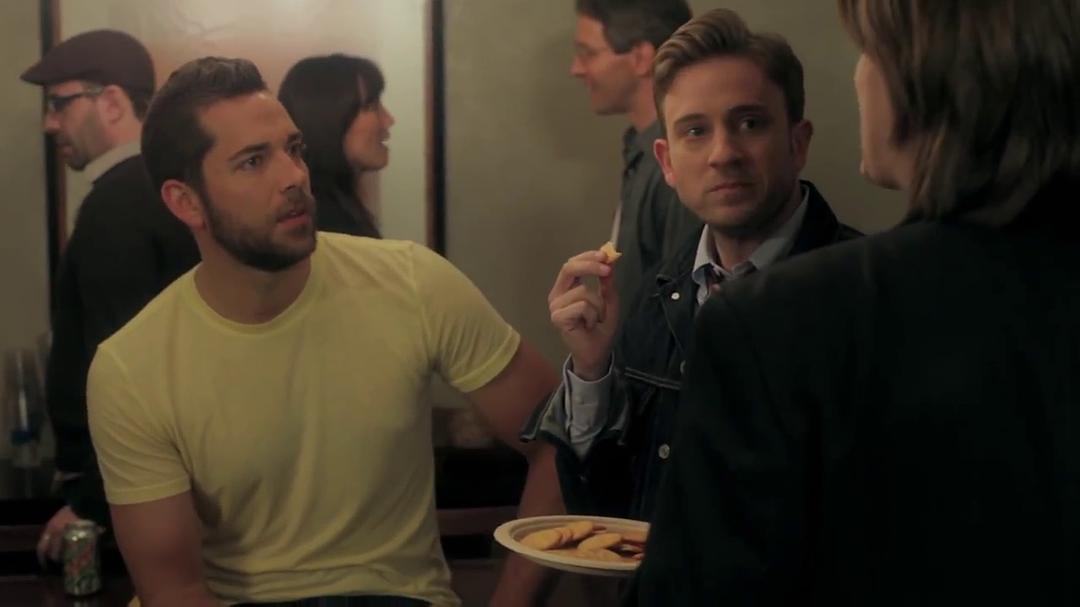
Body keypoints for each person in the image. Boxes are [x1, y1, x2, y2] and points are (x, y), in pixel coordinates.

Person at [633, 0, 1080, 604]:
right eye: (695, 130)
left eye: (866, 51)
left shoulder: (782, 320)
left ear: (920, 82)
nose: (858, 76)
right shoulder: (666, 296)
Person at [85, 57, 561, 606]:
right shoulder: (132, 367)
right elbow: (174, 590)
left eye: (294, 149)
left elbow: (560, 444)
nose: (293, 176)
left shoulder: (413, 282)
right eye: (253, 161)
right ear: (186, 201)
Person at [525, 8, 860, 522]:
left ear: (798, 143)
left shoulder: (866, 292)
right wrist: (593, 371)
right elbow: (604, 510)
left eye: (750, 123)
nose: (723, 153)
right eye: (696, 131)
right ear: (667, 163)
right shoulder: (655, 300)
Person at [19, 29, 199, 563]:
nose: (50, 123)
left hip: (128, 495)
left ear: (114, 102)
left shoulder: (119, 205)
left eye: (60, 103)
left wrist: (92, 501)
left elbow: (129, 369)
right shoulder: (155, 190)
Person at [570, 0, 701, 319]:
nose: (576, 69)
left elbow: (683, 311)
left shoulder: (675, 165)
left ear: (642, 57)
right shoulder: (642, 155)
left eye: (588, 53)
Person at [278, 54, 392, 238]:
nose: (388, 120)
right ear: (328, 118)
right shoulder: (315, 223)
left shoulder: (341, 208)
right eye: (370, 107)